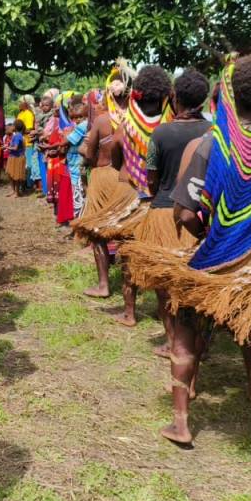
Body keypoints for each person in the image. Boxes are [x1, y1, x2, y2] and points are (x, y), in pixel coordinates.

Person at [124, 55, 251, 465]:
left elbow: (184, 212)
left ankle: (181, 423)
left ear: (229, 96)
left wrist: (208, 234)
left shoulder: (212, 144)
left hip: (215, 258)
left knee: (185, 330)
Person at [78, 65, 173, 326]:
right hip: (164, 196)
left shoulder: (119, 124)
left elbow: (111, 158)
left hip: (128, 188)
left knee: (118, 243)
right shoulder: (169, 124)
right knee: (157, 251)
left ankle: (122, 304)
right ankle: (165, 311)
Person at [130, 68, 212, 358]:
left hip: (164, 211)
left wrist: (155, 191)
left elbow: (151, 175)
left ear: (174, 97)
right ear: (203, 99)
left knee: (164, 283)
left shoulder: (161, 132)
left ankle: (173, 340)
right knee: (196, 281)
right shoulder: (213, 132)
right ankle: (200, 342)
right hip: (200, 217)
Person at [72, 61, 137, 299]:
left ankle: (103, 285)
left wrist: (84, 151)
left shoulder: (102, 120)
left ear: (109, 93)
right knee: (127, 231)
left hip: (103, 177)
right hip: (129, 178)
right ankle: (132, 287)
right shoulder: (138, 120)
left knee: (97, 231)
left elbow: (89, 155)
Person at [17, 94, 37, 190]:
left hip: (27, 143)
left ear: (26, 103)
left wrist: (17, 130)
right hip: (20, 143)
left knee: (28, 164)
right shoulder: (20, 113)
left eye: (20, 102)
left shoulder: (28, 114)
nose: (19, 104)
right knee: (22, 164)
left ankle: (29, 184)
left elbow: (29, 129)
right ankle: (24, 182)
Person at [5, 119, 27, 197]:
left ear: (15, 127)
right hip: (13, 157)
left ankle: (16, 192)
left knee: (16, 175)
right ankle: (13, 191)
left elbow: (15, 148)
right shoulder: (17, 135)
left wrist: (7, 147)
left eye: (12, 125)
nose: (10, 127)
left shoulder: (17, 136)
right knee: (10, 174)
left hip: (17, 158)